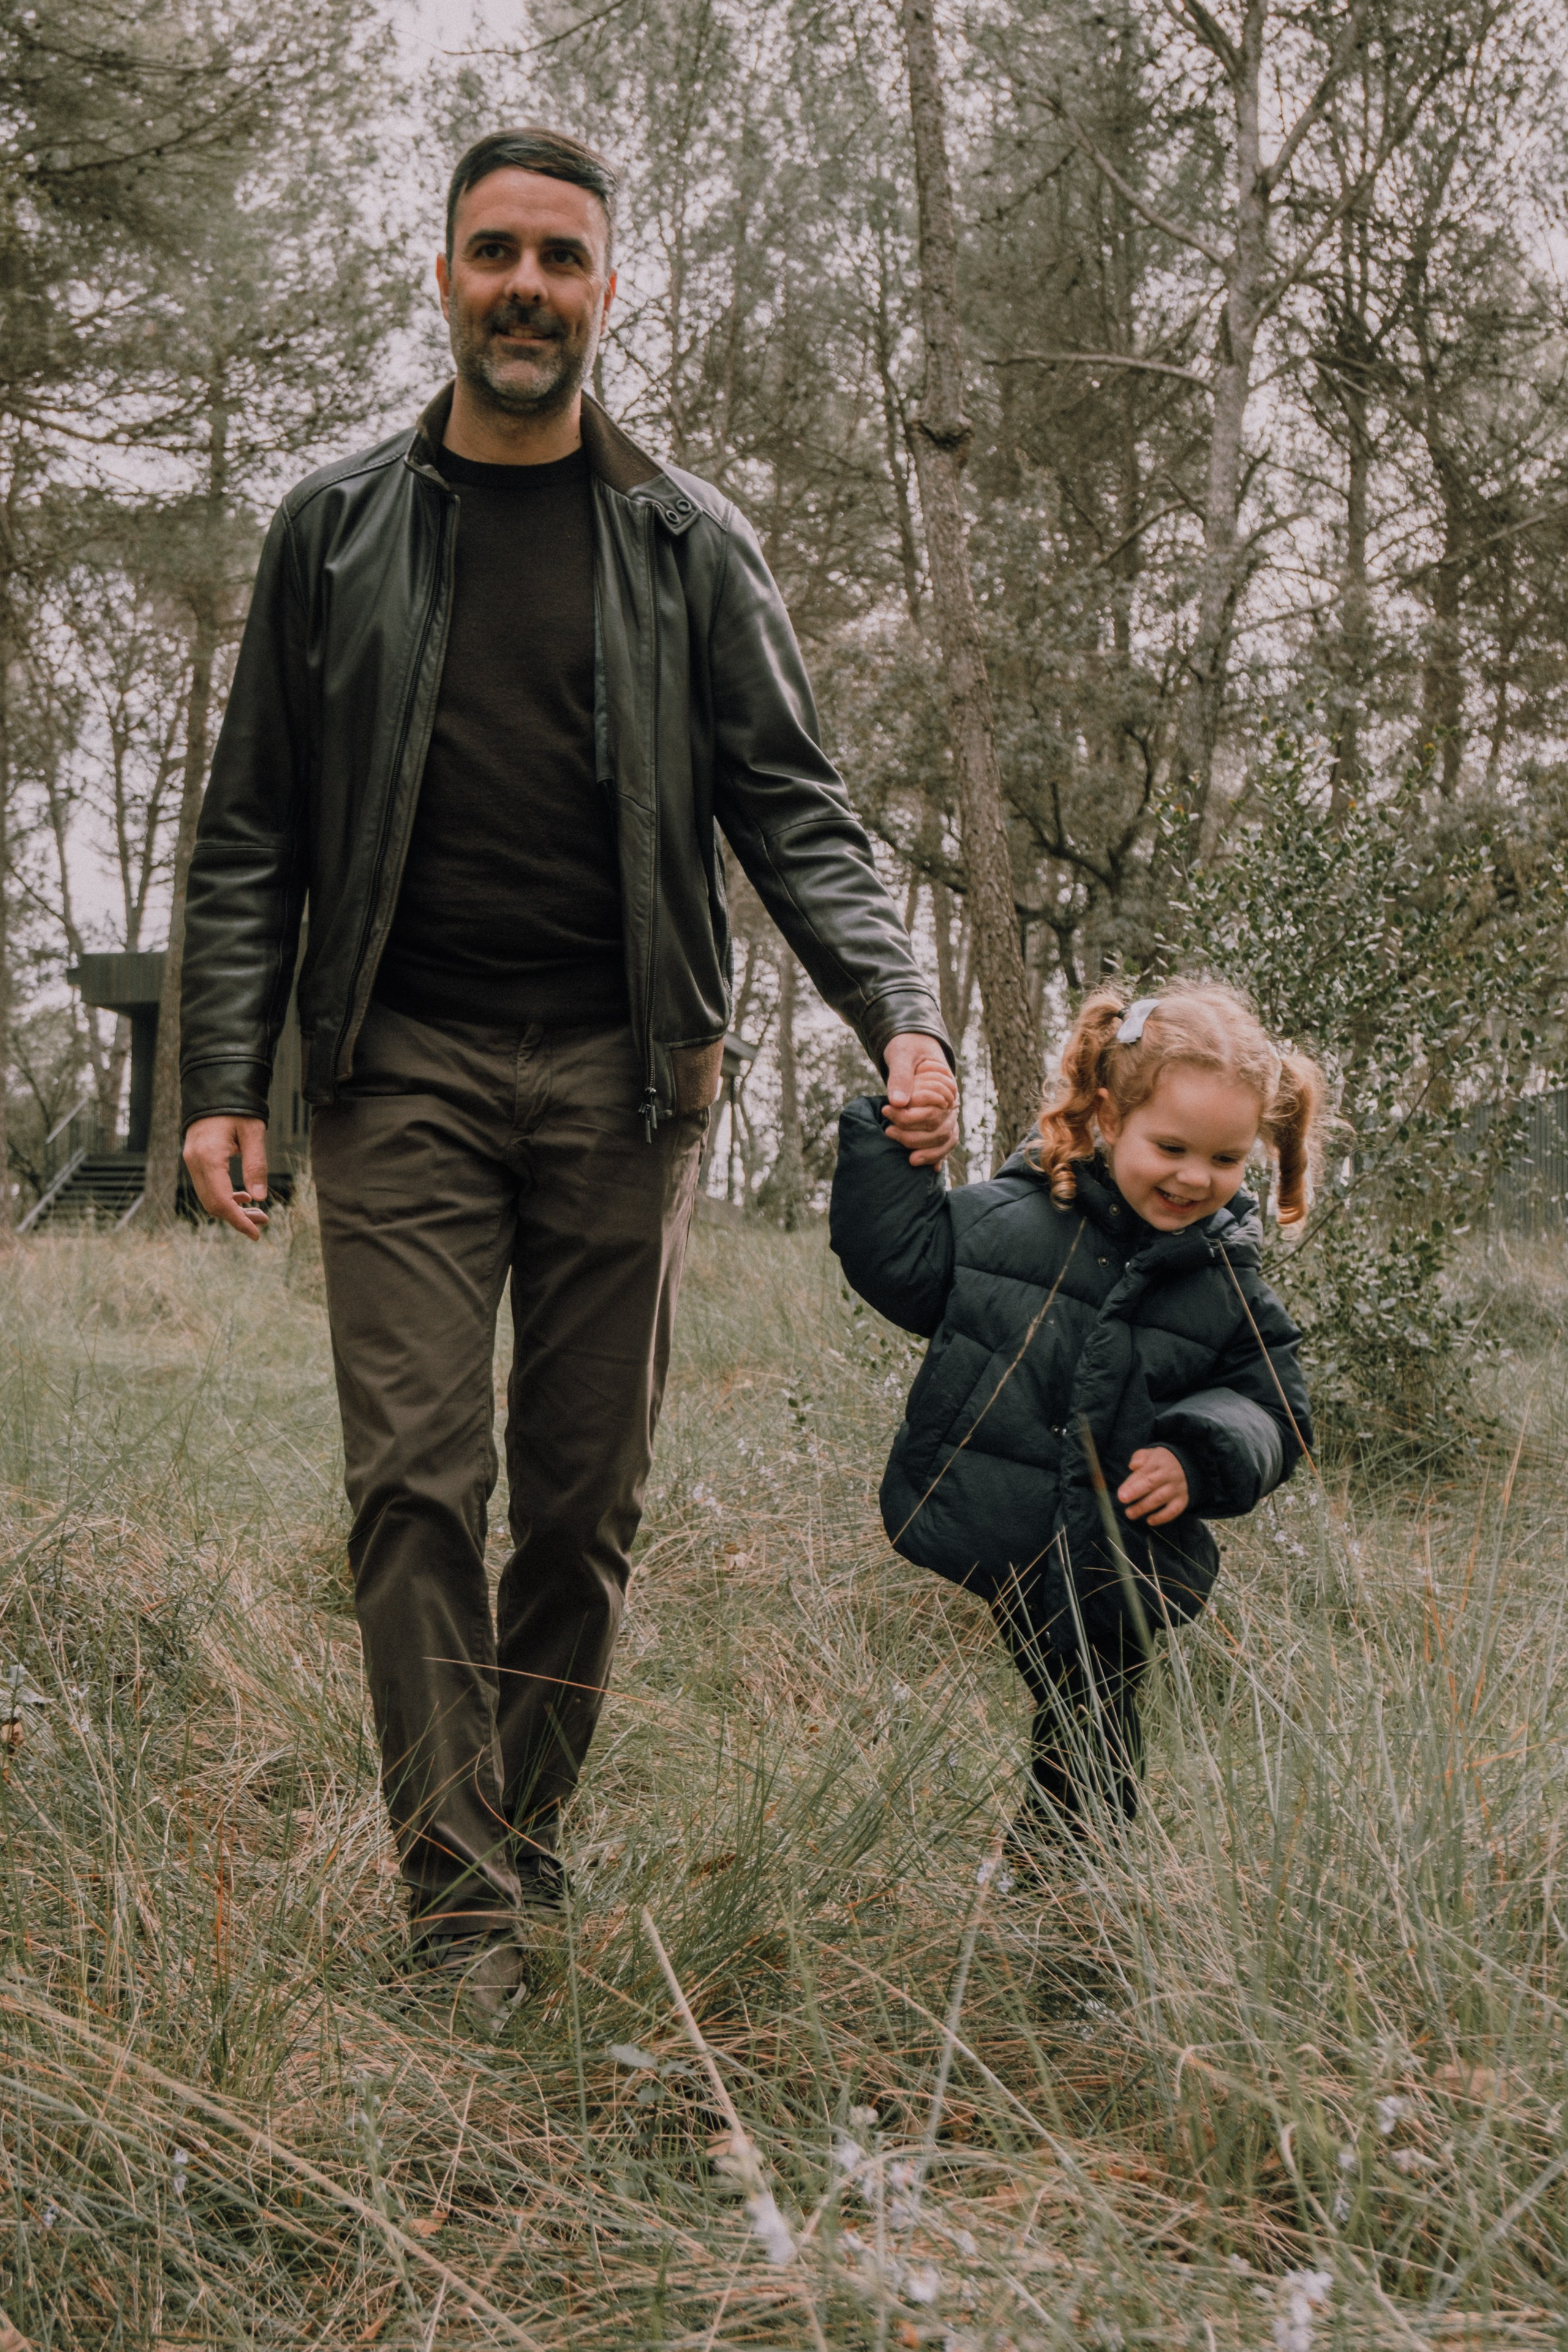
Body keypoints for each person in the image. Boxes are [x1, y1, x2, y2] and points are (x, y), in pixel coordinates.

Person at [178, 124, 957, 2029]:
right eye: (496, 251)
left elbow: (799, 810)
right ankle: (459, 1915)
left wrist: (903, 1008)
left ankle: (518, 1838)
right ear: (443, 274)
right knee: (416, 1485)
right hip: (402, 1075)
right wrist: (224, 1071)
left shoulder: (690, 544)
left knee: (583, 1496)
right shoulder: (334, 530)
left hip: (634, 1082)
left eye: (564, 259)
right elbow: (248, 827)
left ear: (610, 291)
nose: (528, 286)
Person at [829, 981, 1319, 1850]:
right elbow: (902, 1266)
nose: (1194, 1178)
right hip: (998, 1514)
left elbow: (1275, 1406)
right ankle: (1061, 1881)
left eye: (1225, 1159)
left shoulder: (1224, 1276)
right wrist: (888, 1141)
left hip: (1118, 1546)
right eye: (1171, 1146)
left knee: (1094, 1715)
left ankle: (1069, 1895)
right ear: (1107, 1116)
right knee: (1072, 1701)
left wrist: (1199, 1457)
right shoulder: (1015, 1218)